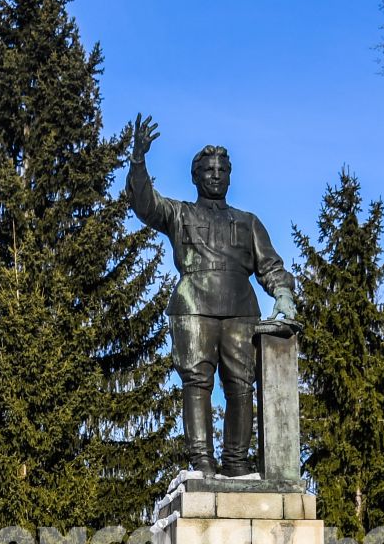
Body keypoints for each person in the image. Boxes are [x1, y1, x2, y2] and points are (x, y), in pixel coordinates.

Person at [126, 115, 297, 476]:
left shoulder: (248, 222)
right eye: (208, 170)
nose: (215, 176)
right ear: (195, 176)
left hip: (240, 310)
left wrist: (282, 292)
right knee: (197, 382)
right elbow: (144, 204)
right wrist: (138, 161)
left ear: (230, 176)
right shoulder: (179, 213)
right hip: (193, 307)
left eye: (221, 170)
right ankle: (201, 459)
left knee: (240, 385)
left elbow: (270, 266)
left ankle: (236, 461)